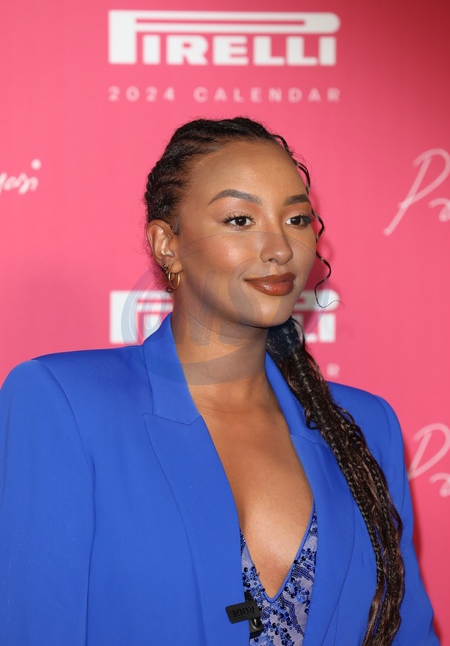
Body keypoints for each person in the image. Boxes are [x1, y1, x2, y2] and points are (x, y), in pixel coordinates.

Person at [0, 117, 438, 646]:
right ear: (167, 244)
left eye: (297, 219)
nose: (280, 248)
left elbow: (405, 630)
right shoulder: (62, 403)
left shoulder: (364, 425)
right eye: (240, 219)